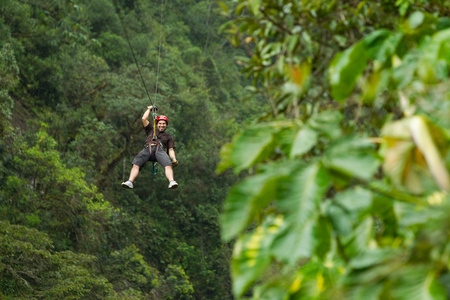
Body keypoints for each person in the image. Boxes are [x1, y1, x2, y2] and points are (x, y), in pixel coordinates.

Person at [121, 106, 178, 189]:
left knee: (168, 164)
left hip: (159, 151)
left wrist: (173, 159)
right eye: (160, 123)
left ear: (166, 125)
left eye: (164, 124)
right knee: (136, 164)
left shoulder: (168, 136)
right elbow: (144, 119)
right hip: (148, 149)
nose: (162, 125)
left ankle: (171, 181)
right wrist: (149, 109)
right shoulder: (151, 130)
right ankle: (130, 181)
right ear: (157, 124)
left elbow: (171, 149)